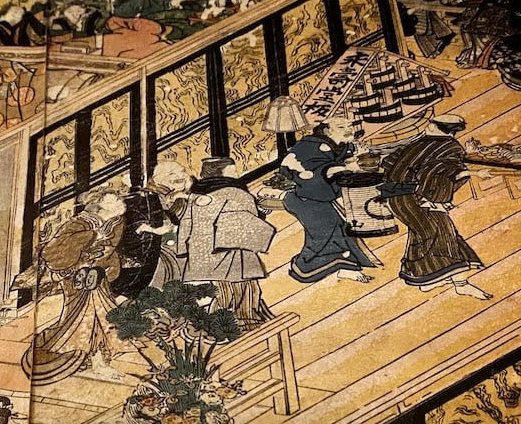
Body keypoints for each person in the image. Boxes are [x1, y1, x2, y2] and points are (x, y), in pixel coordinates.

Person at [22, 187, 135, 385]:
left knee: (100, 316)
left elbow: (110, 248)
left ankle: (98, 361)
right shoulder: (80, 223)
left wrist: (100, 265)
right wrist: (89, 239)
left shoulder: (116, 221)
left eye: (119, 199)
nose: (120, 202)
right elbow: (52, 252)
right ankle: (92, 361)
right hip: (75, 277)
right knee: (82, 318)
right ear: (99, 206)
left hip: (97, 276)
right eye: (113, 200)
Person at [381, 115, 491, 299]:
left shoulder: (422, 142)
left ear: (434, 127)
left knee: (437, 235)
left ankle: (437, 280)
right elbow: (439, 173)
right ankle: (441, 281)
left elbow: (390, 162)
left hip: (398, 197)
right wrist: (474, 173)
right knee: (438, 235)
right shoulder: (449, 147)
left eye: (430, 124)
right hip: (416, 198)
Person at [176, 157, 276, 330]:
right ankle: (242, 321)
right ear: (221, 173)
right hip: (232, 248)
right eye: (232, 171)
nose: (236, 174)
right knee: (244, 288)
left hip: (203, 251)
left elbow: (185, 225)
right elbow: (250, 218)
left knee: (226, 290)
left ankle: (222, 324)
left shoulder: (195, 196)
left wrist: (185, 251)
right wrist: (263, 212)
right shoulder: (235, 191)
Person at [279, 118, 379, 284]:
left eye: (349, 126)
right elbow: (312, 172)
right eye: (341, 127)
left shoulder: (337, 145)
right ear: (326, 131)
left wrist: (355, 157)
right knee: (323, 236)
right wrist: (346, 168)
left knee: (340, 229)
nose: (348, 129)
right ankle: (304, 268)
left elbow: (342, 157)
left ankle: (346, 268)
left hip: (318, 197)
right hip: (303, 197)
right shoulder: (309, 146)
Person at [117, 161, 193, 295]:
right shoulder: (147, 196)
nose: (179, 176)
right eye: (172, 174)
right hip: (157, 249)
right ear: (159, 179)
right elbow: (134, 224)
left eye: (181, 172)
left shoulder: (180, 197)